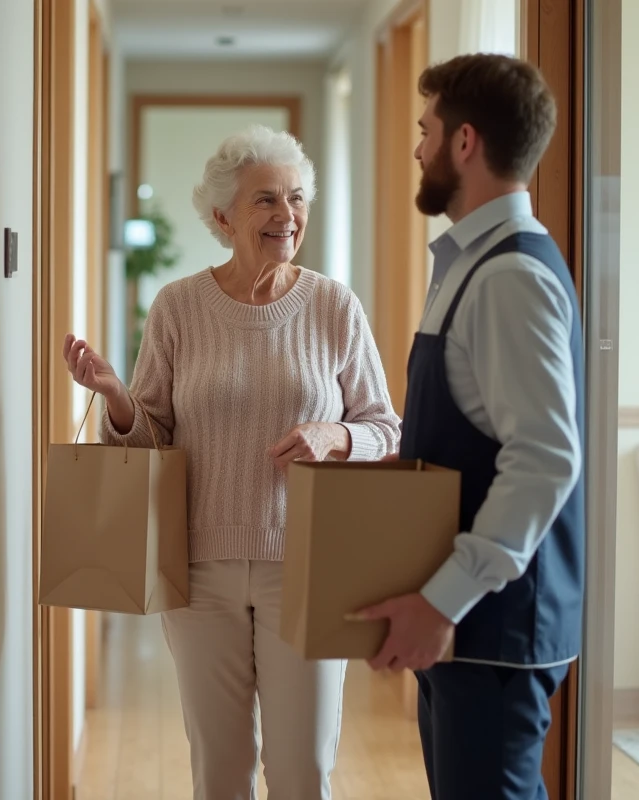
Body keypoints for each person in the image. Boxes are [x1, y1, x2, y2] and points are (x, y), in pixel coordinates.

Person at [63, 124, 401, 800]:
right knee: (219, 771)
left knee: (304, 768)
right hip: (198, 571)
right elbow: (149, 439)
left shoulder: (334, 306)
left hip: (309, 568)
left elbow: (386, 428)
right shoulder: (179, 307)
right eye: (266, 200)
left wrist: (335, 437)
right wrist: (117, 398)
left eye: (297, 198)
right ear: (222, 216)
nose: (287, 215)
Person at [351, 54, 585, 800]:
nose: (417, 148)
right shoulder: (471, 264)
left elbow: (545, 459)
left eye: (426, 130)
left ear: (463, 142)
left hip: (495, 632)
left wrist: (443, 599)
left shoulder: (508, 278)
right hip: (470, 633)